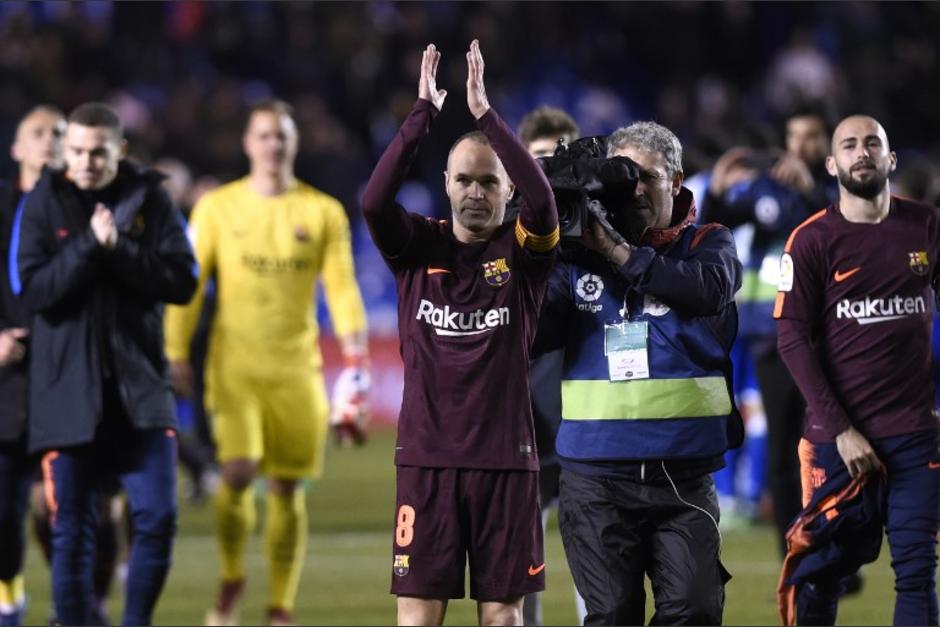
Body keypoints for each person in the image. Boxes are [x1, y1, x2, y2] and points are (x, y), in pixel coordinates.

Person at [361, 41, 558, 626]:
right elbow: (373, 202)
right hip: (426, 460)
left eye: (489, 182)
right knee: (419, 617)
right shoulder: (417, 247)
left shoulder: (524, 256)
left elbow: (545, 205)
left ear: (506, 191)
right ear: (446, 184)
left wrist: (486, 117)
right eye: (465, 180)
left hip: (507, 461)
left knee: (503, 617)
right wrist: (421, 113)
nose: (476, 192)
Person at [163, 99, 370, 626]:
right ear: (247, 143)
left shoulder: (322, 211)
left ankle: (280, 605)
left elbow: (341, 286)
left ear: (293, 143)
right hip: (233, 368)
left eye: (281, 135)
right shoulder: (217, 208)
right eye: (263, 135)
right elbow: (189, 286)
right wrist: (175, 350)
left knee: (286, 486)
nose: (273, 144)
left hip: (297, 370)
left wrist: (355, 353)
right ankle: (232, 575)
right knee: (235, 471)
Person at [535, 121, 742, 625]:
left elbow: (706, 291)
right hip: (595, 478)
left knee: (694, 611)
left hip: (683, 477)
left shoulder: (708, 243)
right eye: (624, 178)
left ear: (676, 180)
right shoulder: (578, 258)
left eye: (648, 176)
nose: (638, 190)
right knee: (610, 618)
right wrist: (534, 252)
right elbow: (532, 334)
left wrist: (619, 253)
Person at [11, 102, 196, 625]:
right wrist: (92, 247)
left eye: (97, 152)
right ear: (65, 150)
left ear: (121, 150)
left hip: (141, 394)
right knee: (71, 529)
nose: (86, 162)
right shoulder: (44, 201)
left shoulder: (150, 198)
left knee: (158, 519)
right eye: (76, 151)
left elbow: (182, 280)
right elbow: (32, 291)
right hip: (66, 397)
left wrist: (122, 252)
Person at [774, 115, 940, 625]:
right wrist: (842, 430)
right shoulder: (810, 240)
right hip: (836, 442)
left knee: (917, 571)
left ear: (890, 160)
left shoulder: (928, 226)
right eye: (849, 144)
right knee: (824, 571)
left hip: (915, 435)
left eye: (873, 143)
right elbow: (792, 338)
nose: (861, 151)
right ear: (832, 163)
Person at [702, 104, 838, 556]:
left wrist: (814, 193)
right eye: (796, 136)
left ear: (828, 141)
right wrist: (719, 192)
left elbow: (845, 236)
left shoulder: (839, 192)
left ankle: (841, 544)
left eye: (813, 137)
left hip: (832, 340)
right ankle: (794, 553)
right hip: (774, 339)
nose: (803, 146)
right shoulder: (768, 187)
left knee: (835, 444)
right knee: (783, 451)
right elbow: (715, 226)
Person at [516, 105, 586, 627]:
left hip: (588, 412)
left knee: (596, 549)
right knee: (525, 551)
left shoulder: (600, 231)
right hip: (528, 417)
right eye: (541, 159)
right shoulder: (506, 231)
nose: (552, 170)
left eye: (563, 157)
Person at [0, 104, 65, 626]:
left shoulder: (83, 209)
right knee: (4, 514)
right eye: (37, 133)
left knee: (64, 509)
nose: (49, 141)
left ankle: (77, 599)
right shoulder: (2, 208)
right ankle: (10, 595)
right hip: (6, 382)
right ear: (17, 148)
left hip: (65, 380)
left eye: (57, 134)